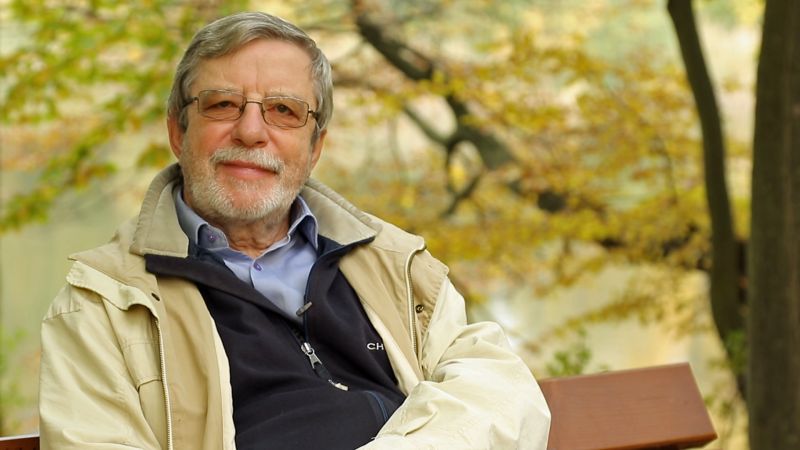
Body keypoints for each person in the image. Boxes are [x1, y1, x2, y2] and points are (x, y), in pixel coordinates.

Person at [38, 11, 550, 450]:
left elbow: (503, 391)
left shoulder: (395, 263)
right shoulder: (104, 305)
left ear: (314, 147)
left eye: (284, 111)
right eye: (222, 104)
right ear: (178, 130)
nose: (251, 131)